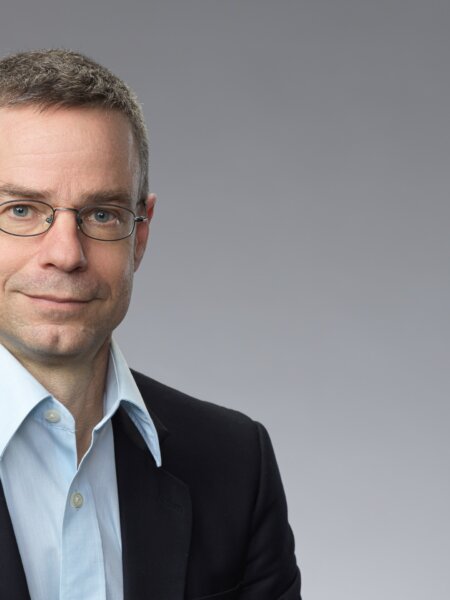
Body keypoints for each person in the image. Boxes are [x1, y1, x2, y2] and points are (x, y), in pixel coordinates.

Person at [0, 49, 301, 600]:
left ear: (139, 235)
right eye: (21, 210)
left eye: (101, 215)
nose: (65, 254)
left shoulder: (235, 463)